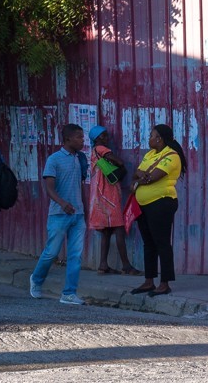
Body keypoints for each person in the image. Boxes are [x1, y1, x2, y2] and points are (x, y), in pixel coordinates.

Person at [30, 123, 88, 305]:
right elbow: (49, 188)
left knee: (75, 255)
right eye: (79, 137)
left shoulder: (81, 159)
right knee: (51, 252)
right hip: (58, 214)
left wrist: (83, 209)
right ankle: (36, 280)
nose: (82, 140)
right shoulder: (54, 159)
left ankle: (69, 293)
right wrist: (63, 203)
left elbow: (80, 186)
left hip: (78, 215)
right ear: (68, 138)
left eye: (83, 137)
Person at [130, 124, 186, 297]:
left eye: (152, 135)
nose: (149, 138)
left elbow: (152, 178)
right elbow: (136, 173)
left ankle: (164, 283)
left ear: (159, 138)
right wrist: (142, 176)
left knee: (162, 243)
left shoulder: (171, 156)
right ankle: (149, 281)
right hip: (144, 205)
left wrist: (143, 176)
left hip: (161, 203)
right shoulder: (150, 154)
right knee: (149, 243)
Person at [87, 125, 139, 276]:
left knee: (106, 231)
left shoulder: (93, 151)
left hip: (99, 194)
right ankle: (126, 266)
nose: (106, 138)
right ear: (96, 139)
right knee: (119, 229)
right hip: (108, 194)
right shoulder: (102, 149)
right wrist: (119, 163)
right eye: (103, 136)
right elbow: (120, 162)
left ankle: (103, 265)